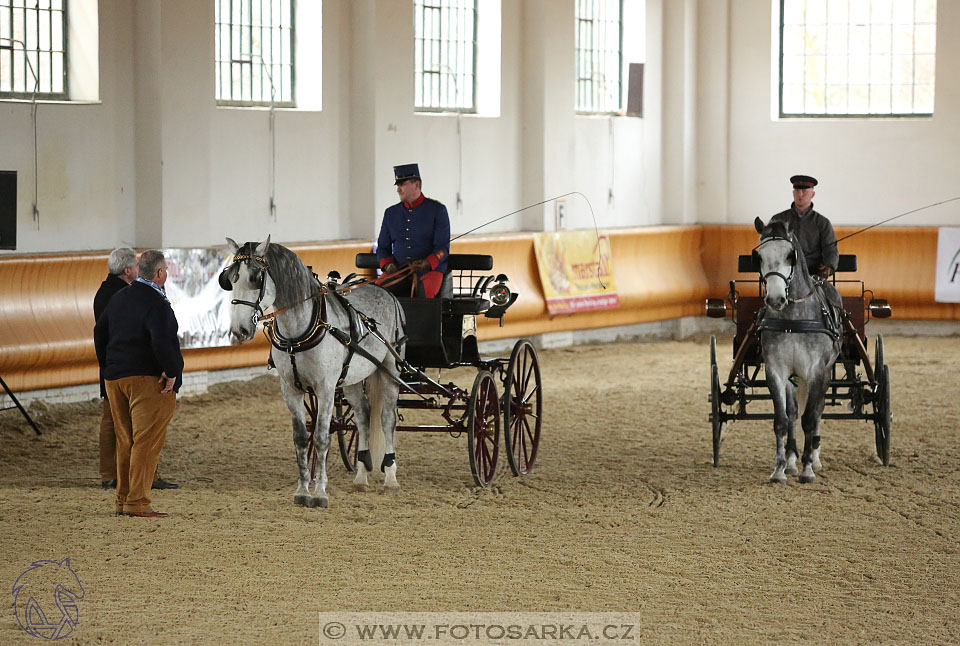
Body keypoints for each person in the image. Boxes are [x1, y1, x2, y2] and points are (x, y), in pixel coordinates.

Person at [94, 250, 183, 518]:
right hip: (147, 379)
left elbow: (100, 332)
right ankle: (138, 503)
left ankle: (123, 500)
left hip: (115, 378)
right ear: (159, 273)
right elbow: (163, 340)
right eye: (165, 269)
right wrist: (171, 370)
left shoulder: (119, 297)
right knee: (146, 442)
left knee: (126, 441)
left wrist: (107, 365)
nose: (166, 273)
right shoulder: (157, 303)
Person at [376, 163, 451, 298]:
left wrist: (427, 263)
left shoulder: (437, 210)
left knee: (424, 298)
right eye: (398, 186)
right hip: (398, 271)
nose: (398, 189)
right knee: (376, 295)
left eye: (402, 185)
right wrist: (387, 265)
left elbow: (442, 248)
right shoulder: (391, 213)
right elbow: (382, 247)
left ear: (416, 185)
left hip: (429, 272)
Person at [770, 175, 838, 279]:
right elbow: (770, 246)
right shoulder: (778, 220)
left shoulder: (822, 223)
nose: (800, 195)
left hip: (813, 276)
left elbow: (831, 249)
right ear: (793, 193)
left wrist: (829, 266)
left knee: (831, 295)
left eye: (805, 191)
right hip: (782, 276)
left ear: (813, 194)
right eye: (797, 191)